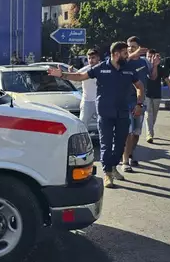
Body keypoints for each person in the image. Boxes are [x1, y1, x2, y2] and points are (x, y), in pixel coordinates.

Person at [47, 41, 144, 189]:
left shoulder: (129, 69)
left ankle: (113, 167)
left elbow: (140, 86)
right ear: (116, 54)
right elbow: (80, 76)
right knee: (106, 144)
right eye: (125, 52)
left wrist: (139, 104)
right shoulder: (101, 68)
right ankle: (107, 173)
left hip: (123, 112)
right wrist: (62, 75)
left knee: (120, 145)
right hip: (105, 113)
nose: (127, 55)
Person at [122, 36, 153, 173]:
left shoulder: (145, 62)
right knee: (128, 132)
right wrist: (131, 55)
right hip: (126, 101)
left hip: (140, 101)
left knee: (136, 132)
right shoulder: (125, 61)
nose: (130, 49)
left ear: (139, 48)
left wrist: (155, 66)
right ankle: (125, 161)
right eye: (128, 47)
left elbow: (152, 77)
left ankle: (130, 153)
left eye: (133, 47)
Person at [145, 49, 170, 143]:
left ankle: (150, 130)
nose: (150, 59)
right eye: (148, 56)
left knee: (154, 116)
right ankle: (149, 134)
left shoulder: (161, 69)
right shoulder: (144, 67)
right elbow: (151, 77)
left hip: (157, 95)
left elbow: (168, 82)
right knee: (148, 113)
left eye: (152, 57)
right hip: (146, 94)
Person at [77, 49, 100, 130]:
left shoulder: (104, 69)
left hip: (100, 101)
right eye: (89, 58)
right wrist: (70, 72)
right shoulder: (84, 70)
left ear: (98, 58)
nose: (91, 60)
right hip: (87, 101)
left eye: (93, 58)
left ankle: (104, 142)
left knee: (103, 125)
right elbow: (75, 77)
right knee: (82, 124)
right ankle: (82, 142)